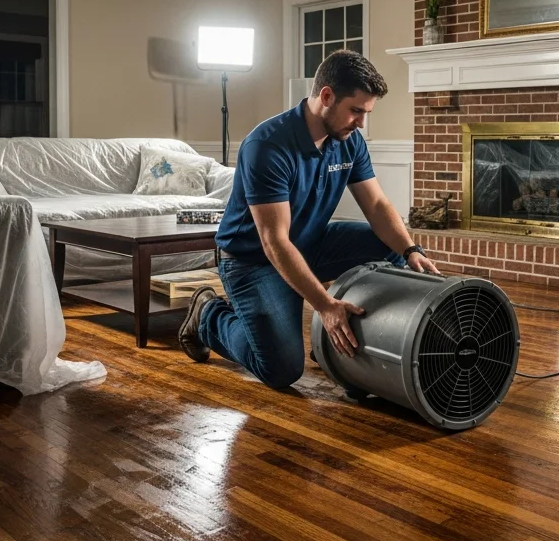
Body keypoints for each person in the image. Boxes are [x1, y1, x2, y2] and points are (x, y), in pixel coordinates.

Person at [176, 50, 440, 389]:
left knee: (390, 247)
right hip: (252, 261)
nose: (361, 122)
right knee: (282, 369)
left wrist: (410, 250)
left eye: (366, 113)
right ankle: (208, 316)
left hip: (310, 242)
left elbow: (376, 205)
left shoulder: (349, 141)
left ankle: (346, 338)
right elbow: (274, 242)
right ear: (326, 96)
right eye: (356, 111)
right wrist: (325, 305)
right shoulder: (267, 145)